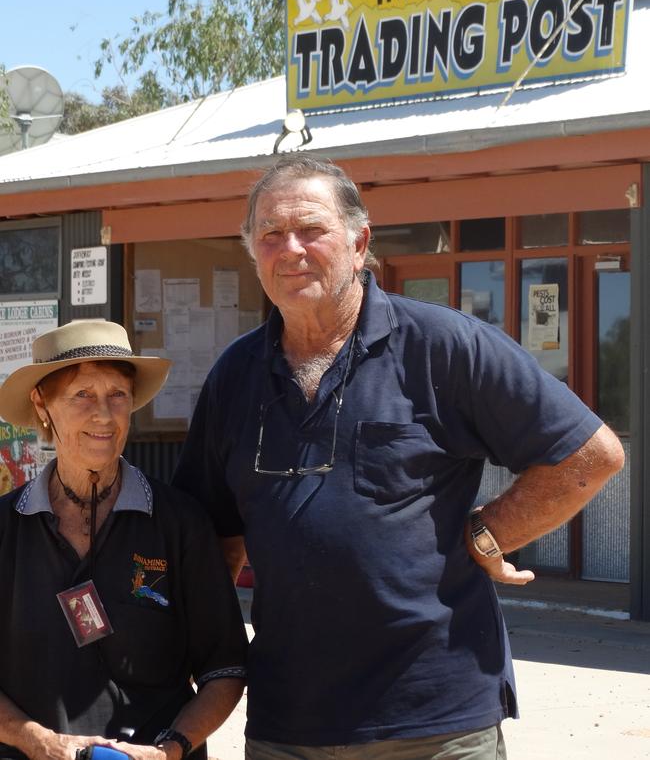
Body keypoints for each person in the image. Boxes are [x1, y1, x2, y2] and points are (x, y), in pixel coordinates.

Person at [173, 156, 624, 760]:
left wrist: (488, 532)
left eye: (311, 229)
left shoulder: (443, 345)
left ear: (359, 243)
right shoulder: (235, 374)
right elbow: (215, 539)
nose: (291, 249)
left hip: (434, 721)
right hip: (287, 724)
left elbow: (589, 455)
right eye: (271, 235)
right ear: (253, 253)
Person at [0, 320, 248, 760]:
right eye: (83, 395)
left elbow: (224, 669)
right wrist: (39, 743)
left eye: (117, 394)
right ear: (42, 404)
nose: (104, 415)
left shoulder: (179, 522)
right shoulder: (4, 528)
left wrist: (171, 750)